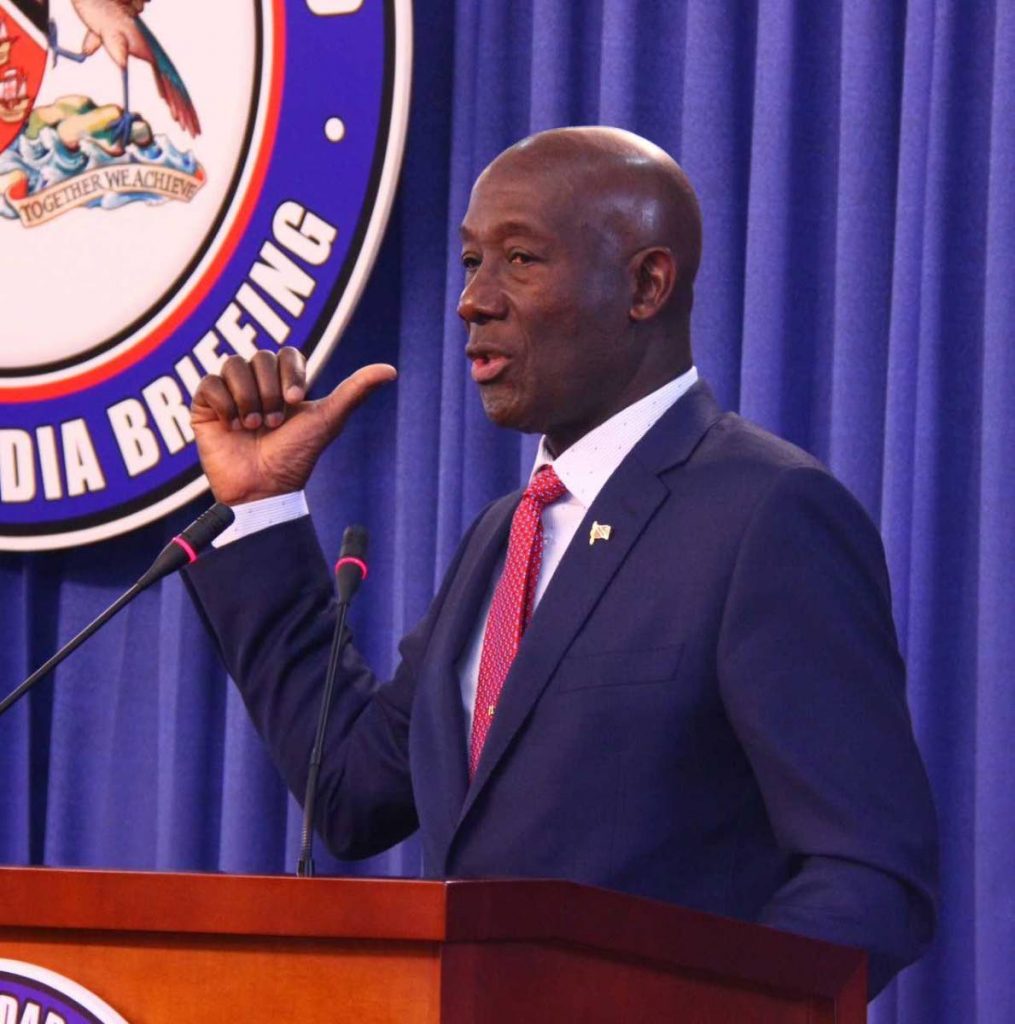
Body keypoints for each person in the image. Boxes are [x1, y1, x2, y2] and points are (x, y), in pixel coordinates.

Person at [186, 127, 938, 996]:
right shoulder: (503, 538)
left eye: (519, 260)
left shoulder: (766, 515)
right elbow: (353, 789)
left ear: (645, 285)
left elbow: (870, 874)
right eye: (470, 261)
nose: (472, 300)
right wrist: (258, 507)